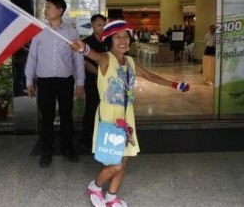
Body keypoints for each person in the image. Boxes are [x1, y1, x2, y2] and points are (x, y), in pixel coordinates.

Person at [70, 20, 190, 207]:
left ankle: (111, 196)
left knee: (123, 160)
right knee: (114, 163)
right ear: (110, 41)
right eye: (117, 37)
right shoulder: (105, 59)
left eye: (125, 36)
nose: (122, 40)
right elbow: (91, 54)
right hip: (109, 116)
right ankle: (95, 186)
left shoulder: (131, 62)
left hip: (126, 117)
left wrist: (175, 85)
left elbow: (151, 76)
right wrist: (83, 48)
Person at [25, 0, 85, 167]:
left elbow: (78, 59)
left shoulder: (71, 32)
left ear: (60, 10)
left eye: (49, 7)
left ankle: (67, 148)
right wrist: (29, 81)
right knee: (46, 118)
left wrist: (80, 82)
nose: (45, 10)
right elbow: (32, 58)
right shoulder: (38, 31)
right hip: (44, 82)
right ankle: (46, 151)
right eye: (46, 7)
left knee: (67, 116)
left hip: (65, 82)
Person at [81, 14, 107, 152]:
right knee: (92, 109)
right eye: (99, 25)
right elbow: (85, 63)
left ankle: (104, 139)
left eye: (104, 25)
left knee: (106, 111)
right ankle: (87, 140)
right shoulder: (87, 42)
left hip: (109, 83)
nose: (102, 27)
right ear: (92, 26)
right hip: (93, 81)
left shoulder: (109, 41)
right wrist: (101, 74)